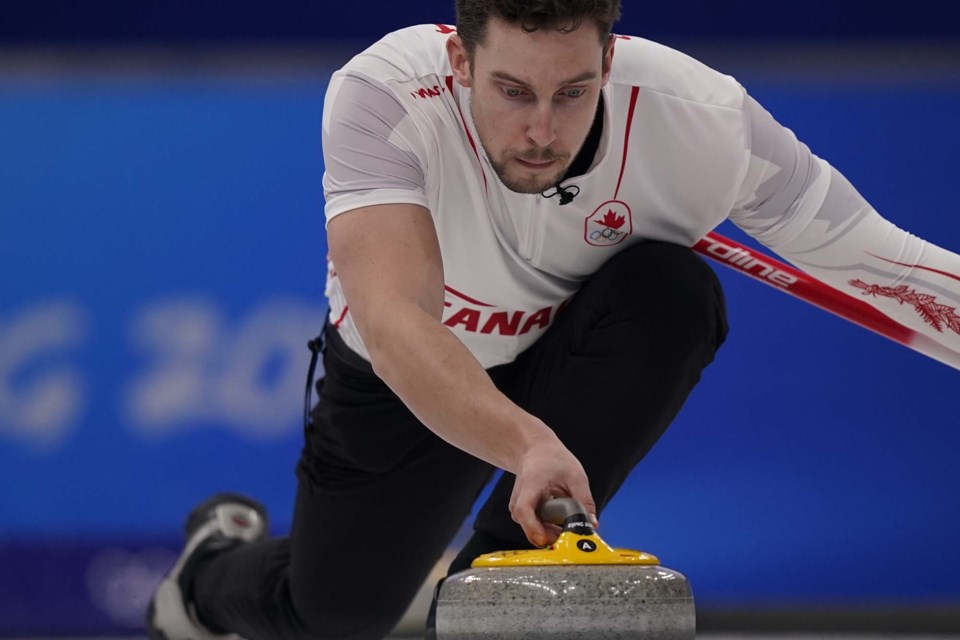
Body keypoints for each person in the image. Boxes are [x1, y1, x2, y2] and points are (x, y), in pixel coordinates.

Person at [148, 1, 960, 639]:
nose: (543, 130)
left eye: (573, 92)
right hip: (412, 375)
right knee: (332, 613)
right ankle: (203, 576)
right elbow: (398, 327)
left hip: (566, 355)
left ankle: (486, 602)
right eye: (514, 92)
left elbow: (879, 265)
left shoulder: (704, 118)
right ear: (460, 61)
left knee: (675, 292)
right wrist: (529, 443)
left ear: (609, 58)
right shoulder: (385, 93)